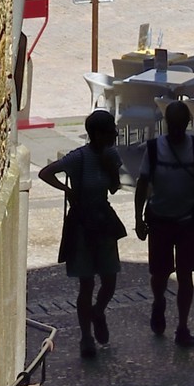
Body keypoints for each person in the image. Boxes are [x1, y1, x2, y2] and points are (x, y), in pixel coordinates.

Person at [134, 98, 194, 347]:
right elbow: (142, 184)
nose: (177, 129)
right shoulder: (152, 149)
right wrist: (138, 218)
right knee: (159, 274)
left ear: (186, 124)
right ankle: (159, 301)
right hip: (160, 220)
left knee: (185, 275)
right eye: (174, 124)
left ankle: (182, 326)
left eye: (180, 124)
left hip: (187, 221)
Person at [40, 111, 125, 358]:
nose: (114, 135)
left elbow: (114, 187)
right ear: (98, 133)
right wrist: (68, 190)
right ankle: (86, 337)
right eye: (110, 130)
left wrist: (111, 170)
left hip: (103, 219)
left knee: (110, 279)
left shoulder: (111, 155)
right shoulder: (78, 158)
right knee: (86, 283)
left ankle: (98, 311)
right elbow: (46, 172)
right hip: (83, 224)